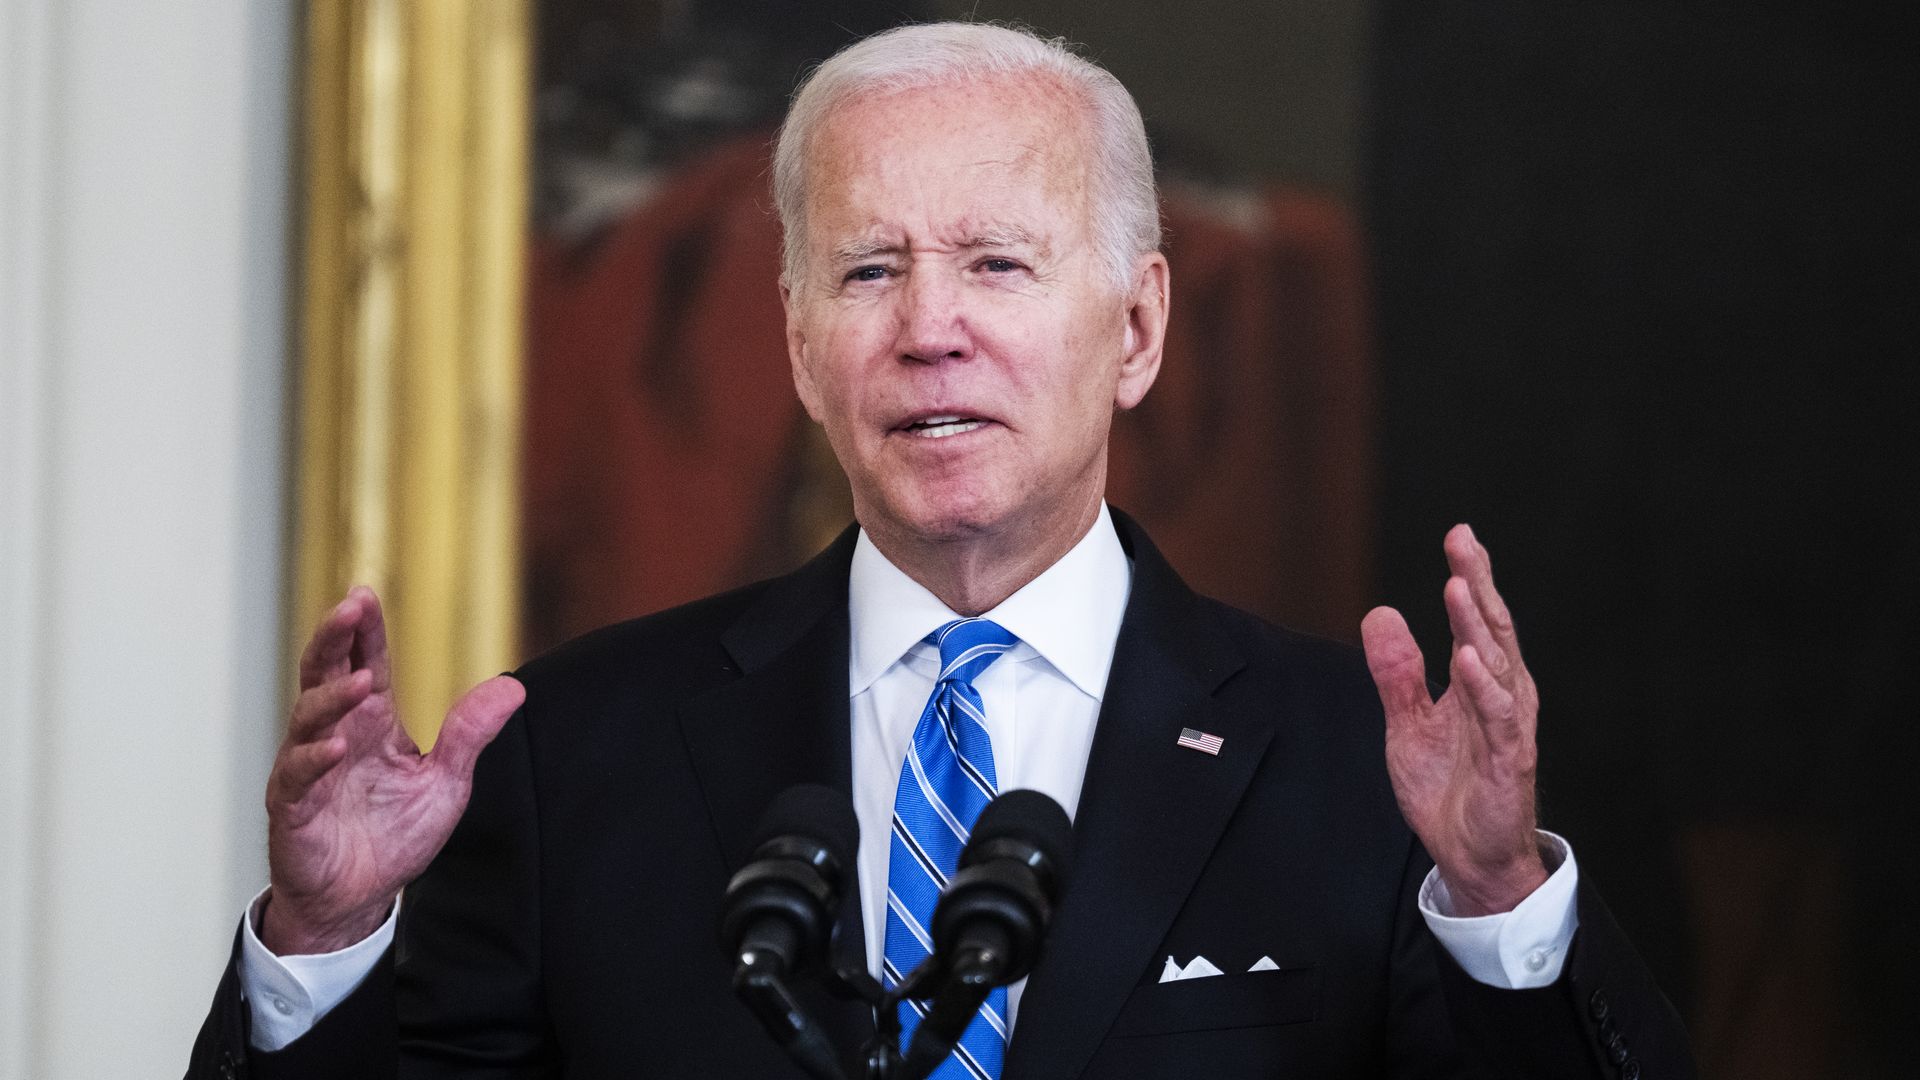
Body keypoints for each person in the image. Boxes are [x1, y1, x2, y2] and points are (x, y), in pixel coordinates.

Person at [188, 22, 1692, 1079]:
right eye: (866, 270)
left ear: (1139, 327)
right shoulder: (577, 753)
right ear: (796, 340)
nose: (928, 330)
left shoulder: (1355, 770)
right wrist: (325, 941)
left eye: (996, 263)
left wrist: (1502, 907)